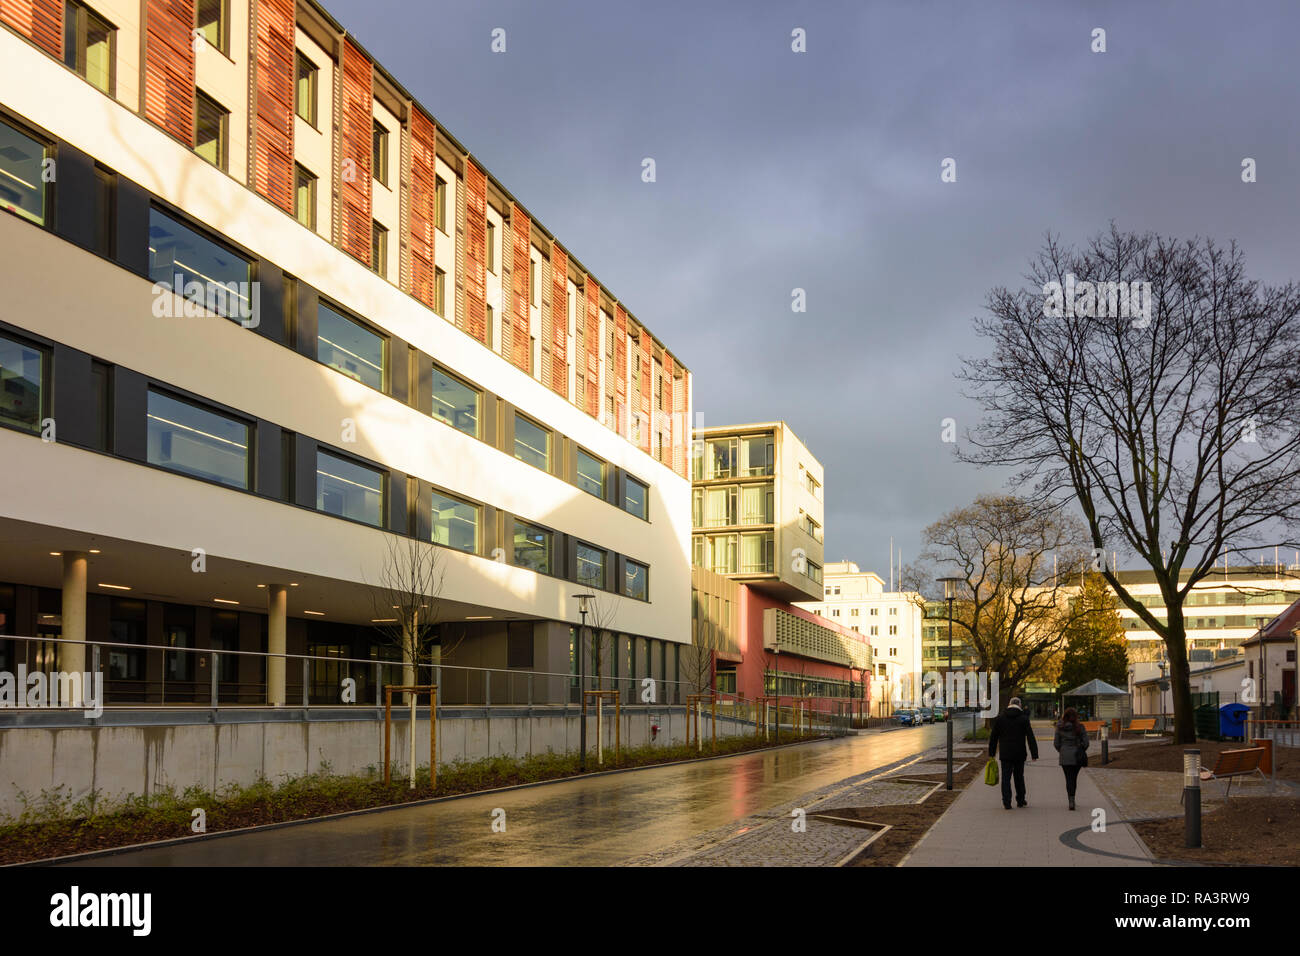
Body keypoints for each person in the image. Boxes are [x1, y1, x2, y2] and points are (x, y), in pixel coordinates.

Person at [988, 696, 1038, 809]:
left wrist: (991, 753)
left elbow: (993, 737)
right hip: (1019, 753)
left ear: (1009, 704)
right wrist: (1034, 753)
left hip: (1005, 753)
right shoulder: (1024, 719)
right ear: (1019, 705)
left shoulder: (1000, 718)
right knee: (1019, 777)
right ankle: (1020, 800)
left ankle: (1006, 802)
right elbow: (1030, 737)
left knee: (1006, 778)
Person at [1054, 706, 1090, 810]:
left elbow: (1056, 743)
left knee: (1068, 778)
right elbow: (1086, 743)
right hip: (1077, 756)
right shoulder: (1080, 727)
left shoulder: (1059, 727)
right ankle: (1072, 799)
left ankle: (1071, 800)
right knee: (1073, 778)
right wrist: (1081, 749)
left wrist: (1062, 750)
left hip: (1065, 756)